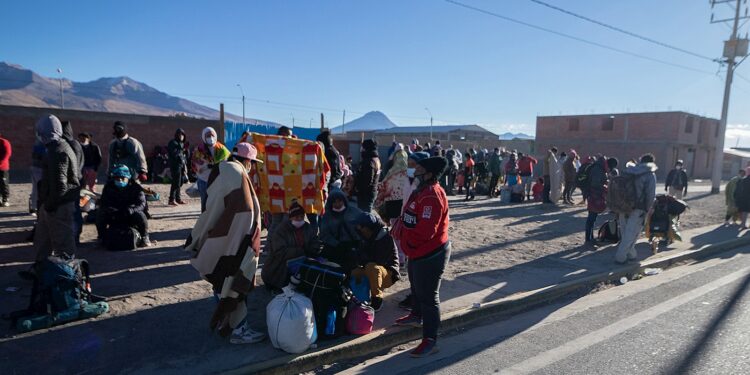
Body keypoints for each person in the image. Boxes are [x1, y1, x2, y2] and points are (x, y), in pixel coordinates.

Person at [184, 142, 265, 344]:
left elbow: (212, 208)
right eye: (252, 163)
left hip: (223, 238)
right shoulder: (236, 174)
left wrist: (201, 234)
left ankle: (225, 321)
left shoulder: (223, 171)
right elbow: (244, 210)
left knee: (222, 280)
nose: (252, 167)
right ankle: (238, 330)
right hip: (236, 241)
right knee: (235, 282)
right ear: (247, 161)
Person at [392, 156, 451, 358]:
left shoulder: (432, 196)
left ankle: (430, 340)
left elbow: (425, 232)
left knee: (428, 296)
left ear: (429, 173)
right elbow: (407, 215)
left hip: (430, 253)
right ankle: (416, 315)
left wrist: (405, 239)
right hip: (416, 251)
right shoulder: (420, 190)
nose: (414, 169)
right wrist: (399, 228)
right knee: (416, 288)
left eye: (419, 167)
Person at [23, 115, 80, 278]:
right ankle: (41, 270)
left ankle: (68, 276)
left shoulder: (58, 151)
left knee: (63, 243)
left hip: (58, 205)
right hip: (51, 203)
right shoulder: (56, 148)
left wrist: (49, 206)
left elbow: (60, 185)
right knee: (43, 240)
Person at [262, 200, 320, 291]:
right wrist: (302, 251)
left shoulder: (307, 227)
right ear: (290, 218)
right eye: (297, 217)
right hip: (280, 267)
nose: (300, 219)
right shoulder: (281, 230)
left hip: (301, 261)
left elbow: (314, 240)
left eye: (301, 217)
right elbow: (280, 252)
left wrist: (314, 249)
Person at [351, 212, 400, 311]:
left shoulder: (385, 237)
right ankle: (356, 299)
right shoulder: (364, 236)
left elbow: (378, 261)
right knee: (353, 272)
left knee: (371, 267)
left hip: (388, 274)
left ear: (368, 227)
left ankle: (377, 299)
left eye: (360, 226)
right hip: (372, 269)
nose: (358, 228)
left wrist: (361, 258)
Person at [615, 154, 657, 264]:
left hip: (623, 206)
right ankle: (620, 257)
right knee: (632, 233)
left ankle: (631, 254)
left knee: (625, 232)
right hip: (638, 208)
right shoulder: (650, 175)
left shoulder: (629, 170)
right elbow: (650, 195)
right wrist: (648, 210)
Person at [96, 165, 152, 247]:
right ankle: (101, 237)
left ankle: (145, 237)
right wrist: (111, 209)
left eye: (123, 178)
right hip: (115, 214)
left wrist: (131, 210)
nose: (120, 180)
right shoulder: (108, 187)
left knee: (140, 215)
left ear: (128, 178)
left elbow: (141, 204)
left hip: (130, 214)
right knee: (100, 213)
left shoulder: (136, 188)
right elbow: (104, 202)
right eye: (117, 178)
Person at [319, 188, 362, 268]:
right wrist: (336, 244)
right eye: (334, 202)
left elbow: (365, 224)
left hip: (353, 244)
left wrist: (359, 240)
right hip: (335, 246)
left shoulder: (354, 212)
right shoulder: (327, 216)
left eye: (340, 201)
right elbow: (323, 234)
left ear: (344, 201)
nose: (337, 204)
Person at [191, 127, 230, 212]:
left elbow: (227, 161)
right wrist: (203, 167)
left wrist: (212, 165)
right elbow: (195, 163)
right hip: (203, 180)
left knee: (216, 203)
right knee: (204, 203)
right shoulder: (199, 150)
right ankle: (204, 222)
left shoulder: (221, 149)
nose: (210, 138)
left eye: (212, 135)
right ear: (204, 137)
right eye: (208, 136)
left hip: (217, 180)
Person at [375, 149, 409, 223]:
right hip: (405, 204)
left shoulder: (391, 172)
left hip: (391, 203)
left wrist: (378, 203)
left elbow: (385, 187)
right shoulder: (410, 173)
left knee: (392, 225)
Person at [584, 157, 608, 244]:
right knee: (591, 218)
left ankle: (590, 237)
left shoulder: (597, 168)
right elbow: (595, 183)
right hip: (594, 196)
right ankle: (588, 238)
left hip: (593, 195)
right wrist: (604, 187)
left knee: (592, 218)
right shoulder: (597, 170)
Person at [354, 139, 381, 212]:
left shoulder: (369, 162)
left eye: (363, 147)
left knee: (364, 215)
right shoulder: (376, 159)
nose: (361, 149)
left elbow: (367, 180)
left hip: (366, 194)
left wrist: (358, 187)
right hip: (371, 192)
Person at [167, 128, 188, 206]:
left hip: (181, 165)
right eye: (179, 134)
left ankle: (178, 199)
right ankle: (171, 199)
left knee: (181, 181)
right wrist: (181, 149)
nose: (181, 136)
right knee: (176, 182)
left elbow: (183, 156)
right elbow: (175, 154)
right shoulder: (173, 143)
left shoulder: (181, 144)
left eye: (182, 134)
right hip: (175, 165)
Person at [30, 138, 46, 215]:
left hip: (36, 167)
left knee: (36, 189)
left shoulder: (38, 143)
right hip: (39, 168)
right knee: (37, 189)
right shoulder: (41, 144)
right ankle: (34, 207)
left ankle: (34, 207)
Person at [0, 132, 11, 207]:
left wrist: (0, 163)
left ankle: (5, 199)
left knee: (4, 183)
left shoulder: (4, 142)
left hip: (3, 167)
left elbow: (7, 154)